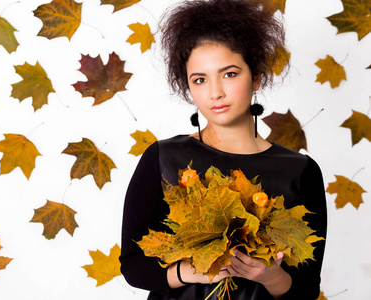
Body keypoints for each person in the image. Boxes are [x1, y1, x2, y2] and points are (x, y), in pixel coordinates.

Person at [119, 0, 327, 299]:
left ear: (255, 77)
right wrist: (189, 271)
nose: (215, 92)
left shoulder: (300, 170)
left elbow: (306, 289)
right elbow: (133, 265)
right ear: (189, 87)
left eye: (229, 74)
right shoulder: (163, 158)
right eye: (200, 80)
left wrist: (272, 277)